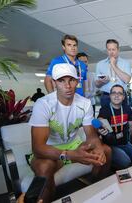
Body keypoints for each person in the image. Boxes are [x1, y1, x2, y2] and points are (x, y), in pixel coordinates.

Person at [29, 63, 111, 203]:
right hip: (51, 149)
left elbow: (91, 136)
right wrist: (70, 155)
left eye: (71, 80)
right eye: (61, 81)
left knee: (106, 150)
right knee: (44, 168)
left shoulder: (84, 103)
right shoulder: (43, 104)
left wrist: (98, 147)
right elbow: (38, 148)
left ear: (77, 82)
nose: (67, 86)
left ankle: (95, 190)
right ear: (54, 83)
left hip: (74, 145)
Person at [97, 84, 132, 169]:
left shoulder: (127, 109)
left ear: (123, 97)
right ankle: (111, 164)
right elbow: (100, 121)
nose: (116, 95)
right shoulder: (104, 110)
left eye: (120, 93)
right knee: (126, 162)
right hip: (111, 145)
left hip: (125, 143)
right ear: (110, 96)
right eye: (114, 93)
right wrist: (99, 128)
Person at [95, 39, 131, 107]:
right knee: (105, 117)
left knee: (122, 117)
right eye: (109, 49)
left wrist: (113, 65)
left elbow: (127, 80)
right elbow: (97, 84)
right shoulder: (100, 64)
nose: (111, 52)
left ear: (118, 50)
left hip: (121, 96)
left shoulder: (125, 63)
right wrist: (102, 81)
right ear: (107, 50)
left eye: (113, 49)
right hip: (106, 96)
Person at [76, 52, 97, 117]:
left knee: (91, 123)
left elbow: (96, 90)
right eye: (81, 62)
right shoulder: (73, 75)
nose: (84, 64)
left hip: (90, 103)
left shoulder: (93, 75)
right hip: (77, 104)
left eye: (85, 61)